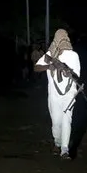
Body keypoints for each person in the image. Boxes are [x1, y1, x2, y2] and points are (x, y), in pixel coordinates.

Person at [34, 29, 81, 160]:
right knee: (56, 122)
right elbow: (36, 68)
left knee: (67, 119)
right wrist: (49, 66)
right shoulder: (50, 54)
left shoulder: (73, 56)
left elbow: (77, 76)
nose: (63, 41)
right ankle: (57, 143)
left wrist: (68, 72)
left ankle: (64, 150)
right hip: (54, 95)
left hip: (69, 93)